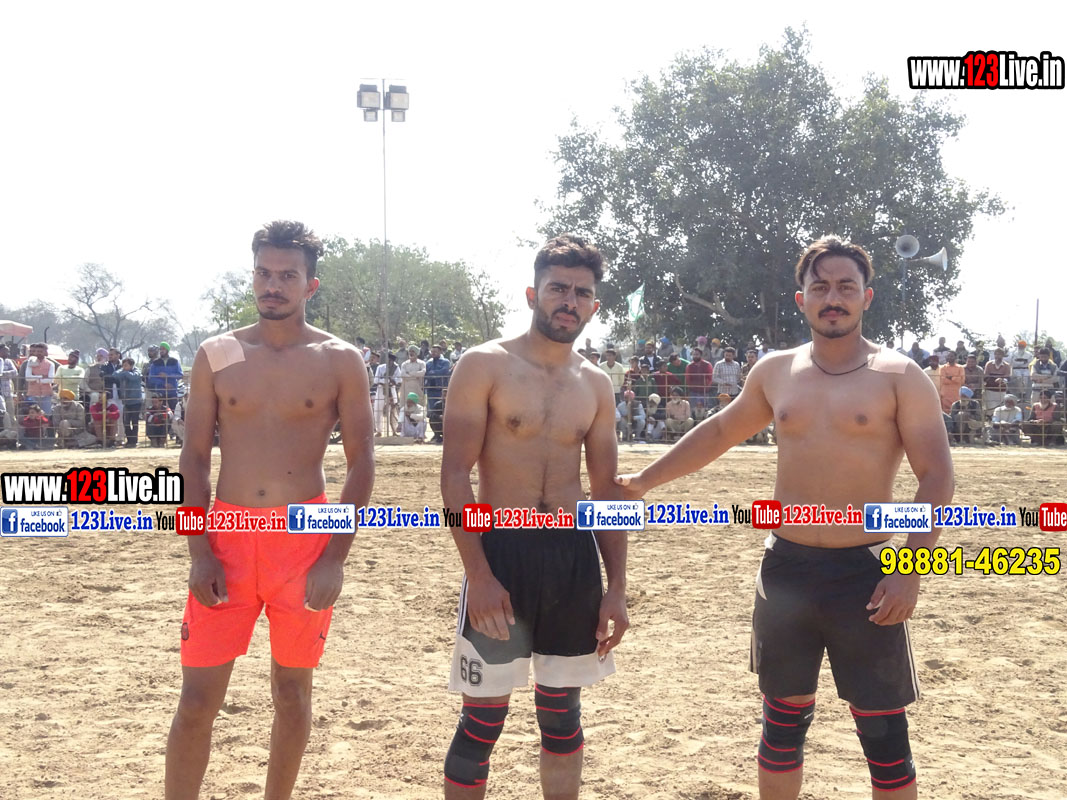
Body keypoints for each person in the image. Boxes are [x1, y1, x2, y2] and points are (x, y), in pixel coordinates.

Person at [617, 236, 953, 800]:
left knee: (884, 736)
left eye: (845, 287)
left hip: (868, 572)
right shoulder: (775, 371)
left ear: (866, 296)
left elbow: (936, 476)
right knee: (781, 726)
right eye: (820, 287)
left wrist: (910, 569)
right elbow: (720, 432)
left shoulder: (900, 375)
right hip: (787, 569)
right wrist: (645, 480)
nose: (833, 298)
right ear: (802, 299)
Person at [165, 220, 374, 800]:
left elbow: (361, 463)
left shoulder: (339, 359)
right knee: (196, 700)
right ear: (252, 275)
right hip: (227, 537)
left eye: (287, 275)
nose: (273, 285)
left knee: (291, 693)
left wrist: (335, 557)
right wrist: (199, 551)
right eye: (264, 272)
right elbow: (194, 458)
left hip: (303, 540)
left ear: (311, 285)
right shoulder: (217, 354)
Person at [440, 234, 627, 799]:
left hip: (571, 555)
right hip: (502, 552)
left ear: (594, 306)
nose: (569, 301)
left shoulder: (595, 384)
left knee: (563, 717)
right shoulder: (485, 365)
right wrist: (479, 574)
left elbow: (607, 492)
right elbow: (455, 476)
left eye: (581, 293)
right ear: (532, 294)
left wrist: (617, 587)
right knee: (482, 721)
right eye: (557, 289)